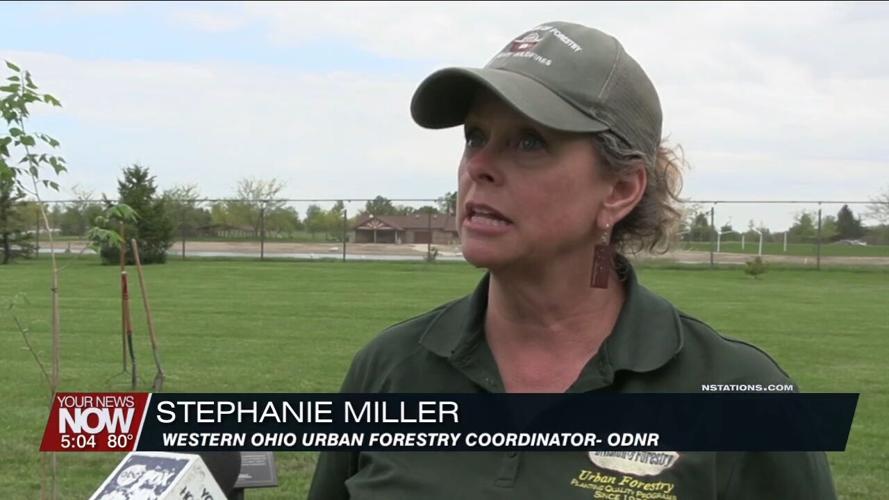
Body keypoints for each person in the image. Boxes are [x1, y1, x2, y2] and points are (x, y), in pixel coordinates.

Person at [308, 21, 836, 500]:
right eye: (475, 137)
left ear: (621, 189)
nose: (481, 166)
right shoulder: (389, 369)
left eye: (530, 142)